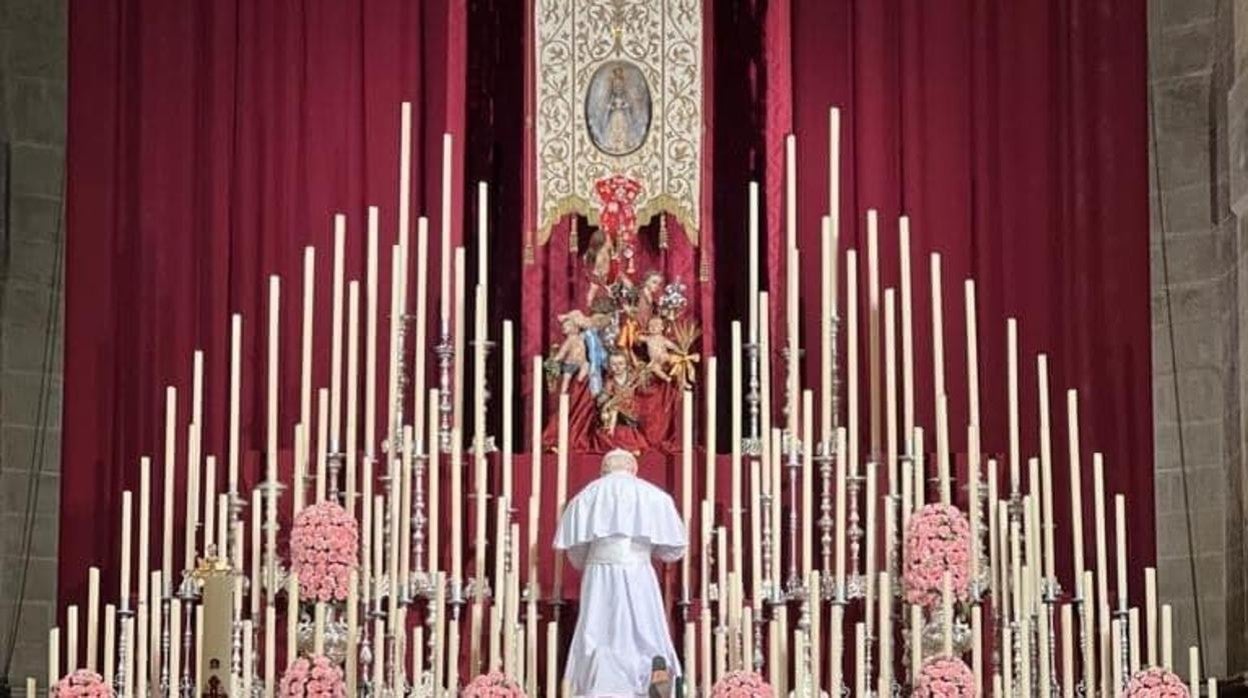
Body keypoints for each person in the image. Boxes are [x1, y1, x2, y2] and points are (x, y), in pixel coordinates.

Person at [554, 450, 686, 697]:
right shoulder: (653, 495)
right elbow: (674, 551)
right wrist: (645, 547)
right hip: (638, 573)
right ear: (633, 469)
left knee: (597, 631)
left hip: (598, 575)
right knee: (644, 629)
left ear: (604, 470)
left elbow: (575, 555)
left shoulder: (586, 496)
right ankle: (651, 680)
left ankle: (596, 685)